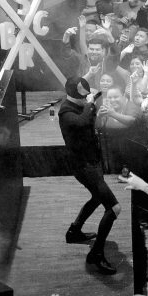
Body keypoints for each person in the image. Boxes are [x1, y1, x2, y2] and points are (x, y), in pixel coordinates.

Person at [59, 77, 121, 275]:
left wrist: (98, 112)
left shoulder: (81, 106)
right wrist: (90, 104)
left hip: (91, 163)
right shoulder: (66, 112)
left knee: (97, 197)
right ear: (73, 95)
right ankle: (96, 253)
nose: (87, 98)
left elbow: (90, 125)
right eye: (83, 96)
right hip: (84, 167)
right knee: (114, 208)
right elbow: (83, 121)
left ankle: (74, 231)